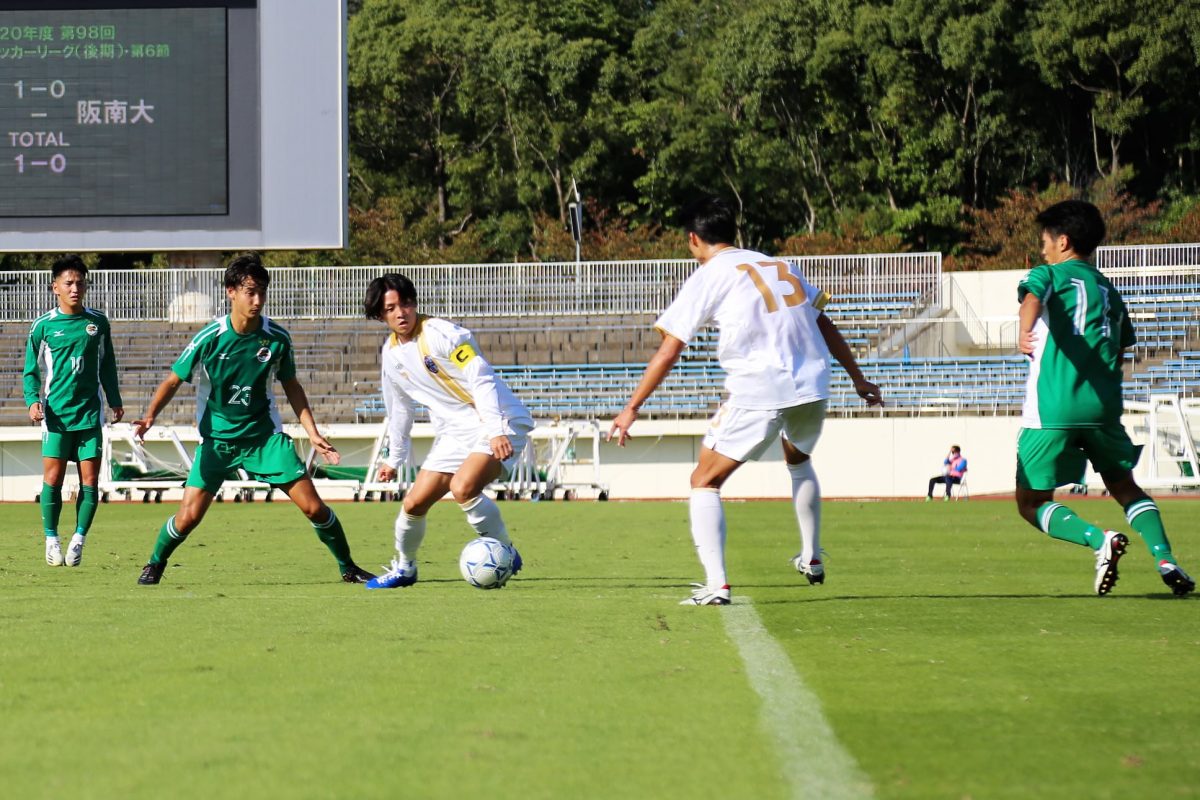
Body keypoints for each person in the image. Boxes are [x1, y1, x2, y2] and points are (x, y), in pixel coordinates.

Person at [607, 195, 884, 605]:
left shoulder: (709, 274)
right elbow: (823, 321)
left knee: (704, 481)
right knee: (799, 461)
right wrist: (858, 378)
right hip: (813, 381)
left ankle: (716, 585)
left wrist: (631, 408)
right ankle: (811, 557)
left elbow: (669, 349)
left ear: (693, 240)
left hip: (761, 385)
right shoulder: (779, 264)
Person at [132, 254, 374, 585]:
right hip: (218, 442)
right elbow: (173, 380)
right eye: (250, 292)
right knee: (187, 518)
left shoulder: (277, 338)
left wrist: (312, 432)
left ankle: (348, 566)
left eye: (261, 292)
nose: (257, 300)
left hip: (264, 440)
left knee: (314, 508)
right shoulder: (210, 337)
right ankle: (155, 563)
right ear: (231, 291)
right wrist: (148, 417)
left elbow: (292, 385)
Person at [1016, 199, 1193, 596]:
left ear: (1062, 241)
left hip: (1053, 407)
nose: (1042, 247)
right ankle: (1165, 559)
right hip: (1103, 408)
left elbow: (1031, 300)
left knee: (1030, 502)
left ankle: (1100, 542)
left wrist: (1023, 332)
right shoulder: (1109, 291)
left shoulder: (1049, 273)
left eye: (1045, 240)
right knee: (1126, 488)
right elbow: (1122, 348)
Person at [361, 273, 532, 589]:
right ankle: (405, 568)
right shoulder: (391, 354)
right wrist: (393, 459)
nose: (401, 313)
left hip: (499, 420)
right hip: (455, 433)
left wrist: (496, 430)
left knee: (463, 488)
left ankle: (505, 549)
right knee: (413, 504)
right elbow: (399, 409)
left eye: (406, 303)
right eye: (391, 308)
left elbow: (481, 376)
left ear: (414, 303)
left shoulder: (443, 334)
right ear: (380, 314)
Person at [23, 254, 124, 567]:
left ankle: (79, 539)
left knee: (90, 482)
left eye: (80, 282)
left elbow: (107, 363)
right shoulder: (43, 326)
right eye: (68, 283)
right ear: (55, 287)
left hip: (90, 415)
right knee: (52, 479)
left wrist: (114, 398)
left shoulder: (97, 323)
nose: (75, 288)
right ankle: (51, 539)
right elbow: (30, 370)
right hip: (56, 415)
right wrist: (32, 400)